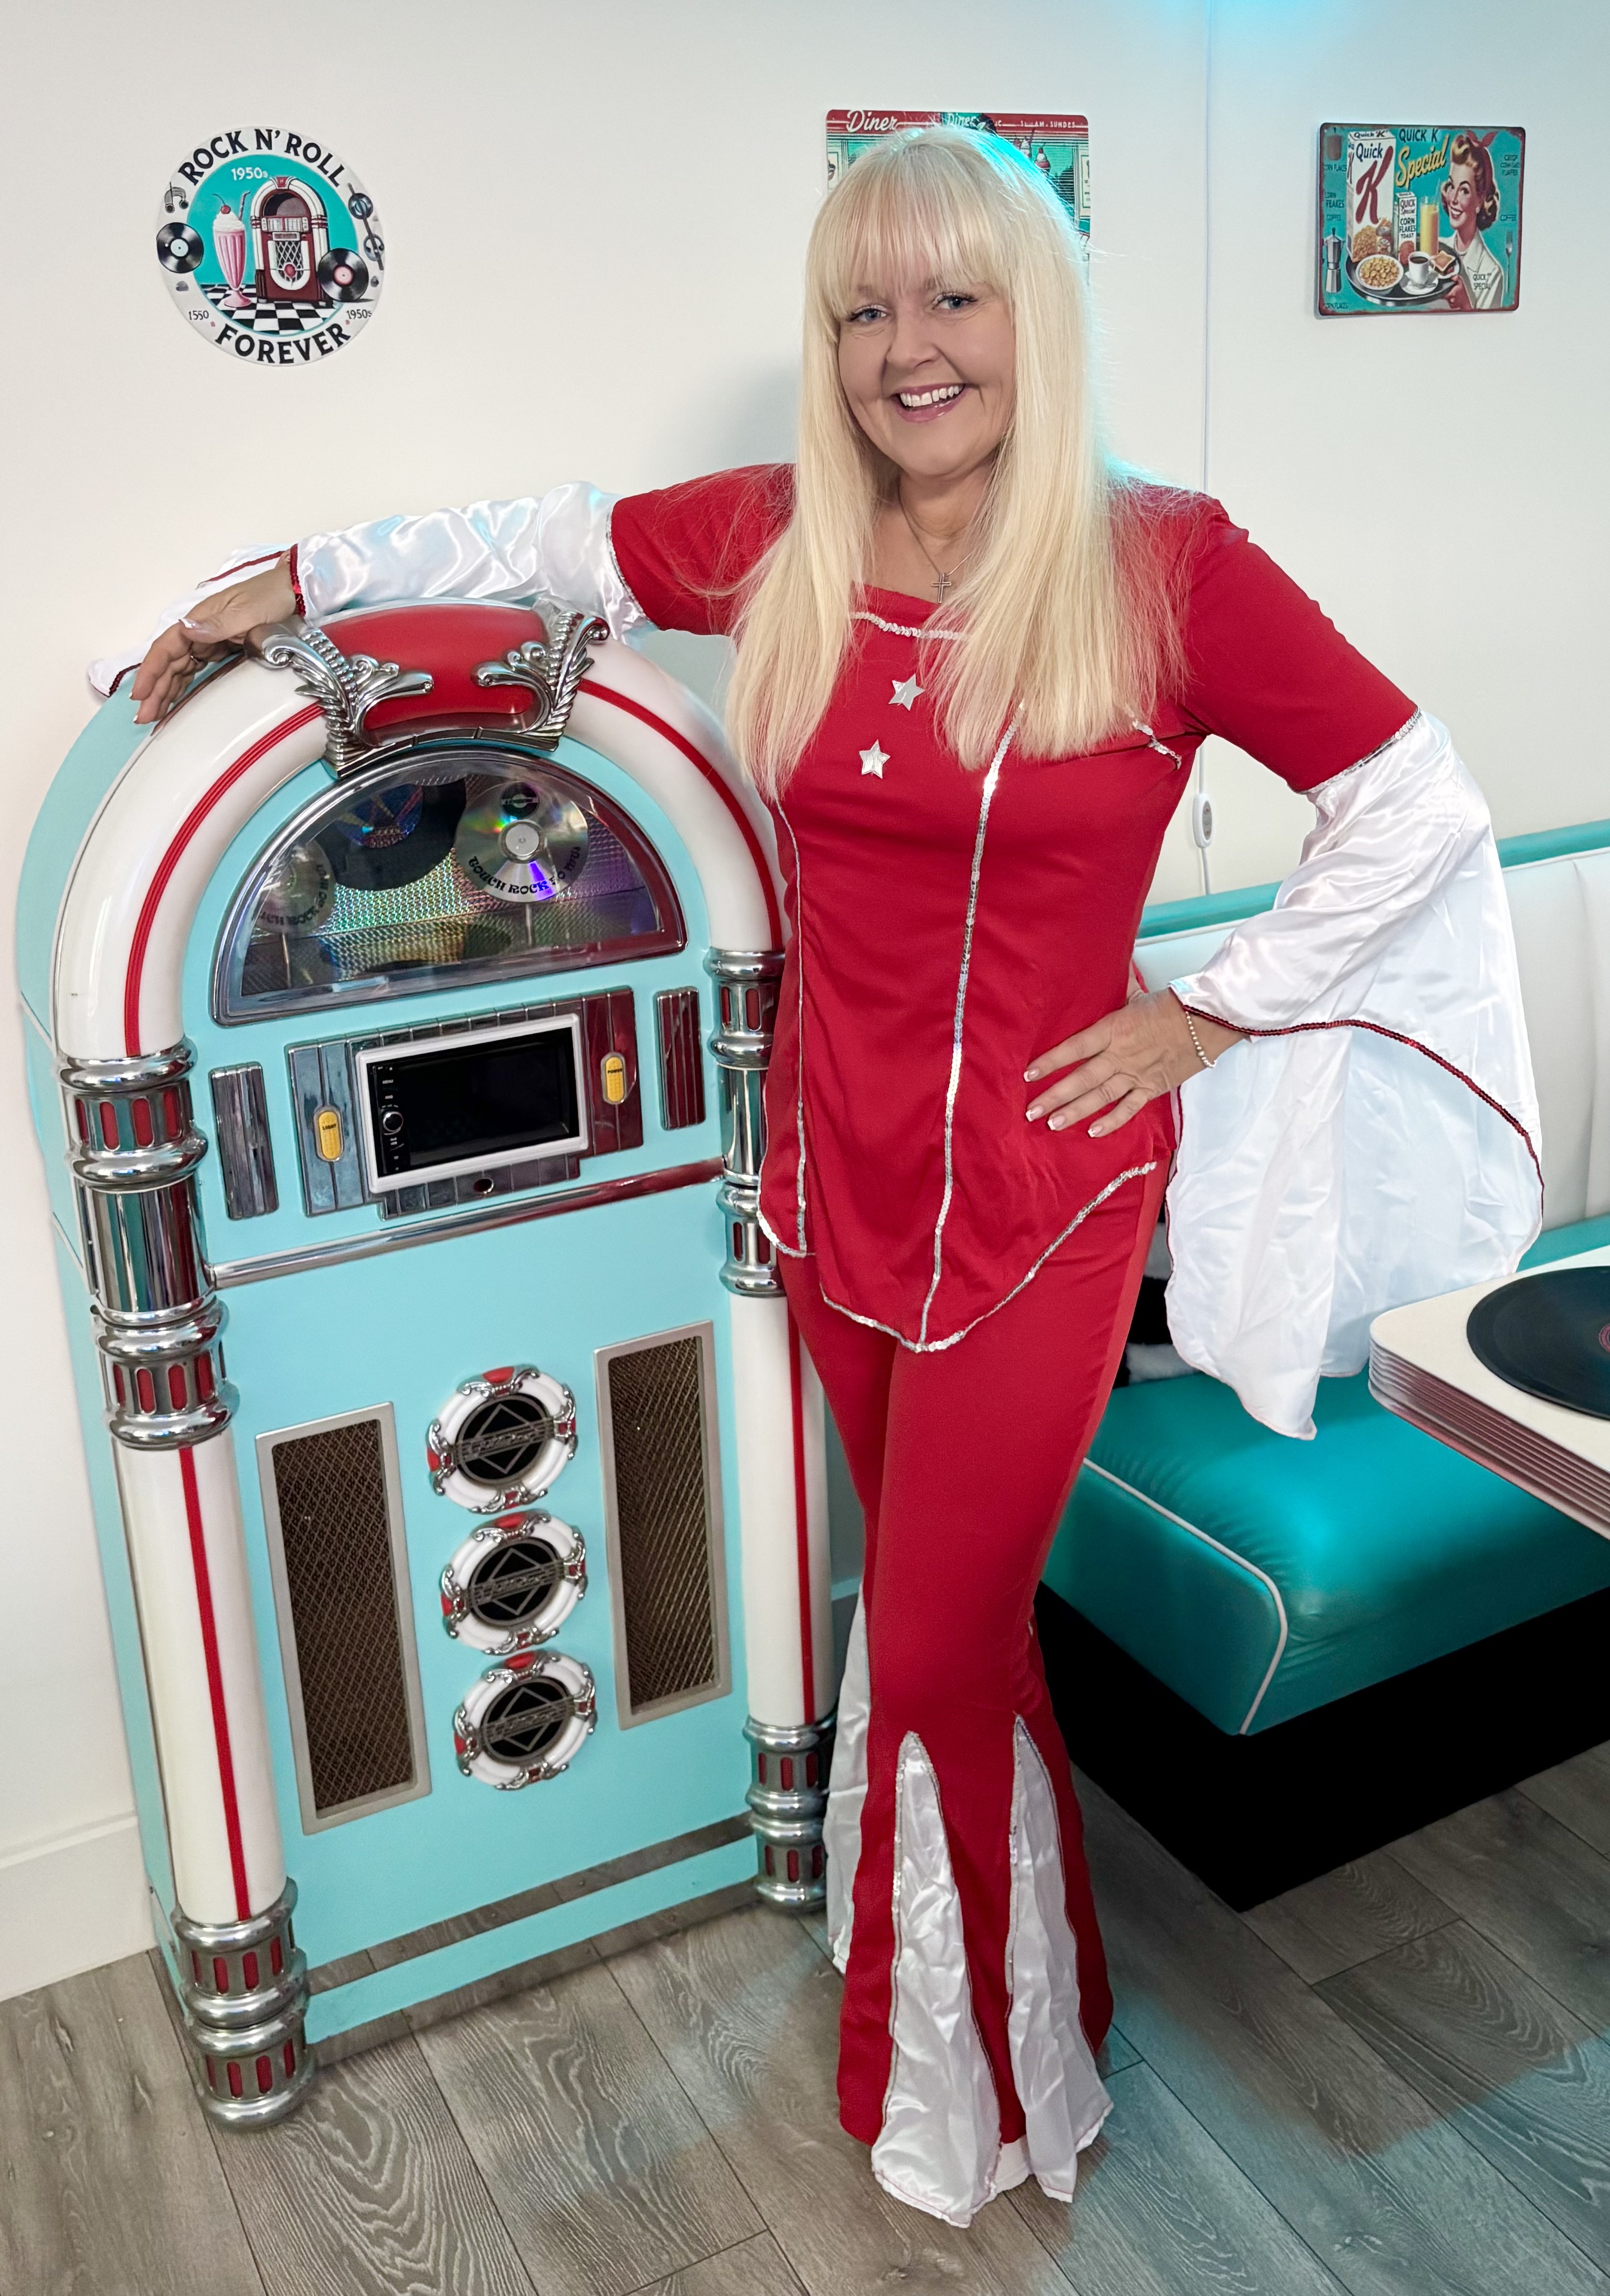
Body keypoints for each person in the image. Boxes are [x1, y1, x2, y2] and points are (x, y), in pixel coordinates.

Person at [122, 128, 1538, 2227]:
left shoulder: (1165, 563)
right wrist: (291, 583)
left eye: (952, 297)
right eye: (862, 309)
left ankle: (946, 2083)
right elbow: (538, 545)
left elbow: (1414, 804)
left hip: (1042, 1208)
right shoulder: (780, 531)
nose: (906, 347)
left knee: (940, 1651)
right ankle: (1032, 2043)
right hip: (831, 1186)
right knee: (955, 1643)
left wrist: (1208, 1011)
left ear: (1031, 318)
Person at [1440, 132, 1507, 311]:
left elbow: (1490, 327)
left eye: (1464, 191)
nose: (1453, 199)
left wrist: (1465, 305)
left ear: (1480, 200)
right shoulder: (1437, 249)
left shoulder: (1492, 273)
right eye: (1452, 186)